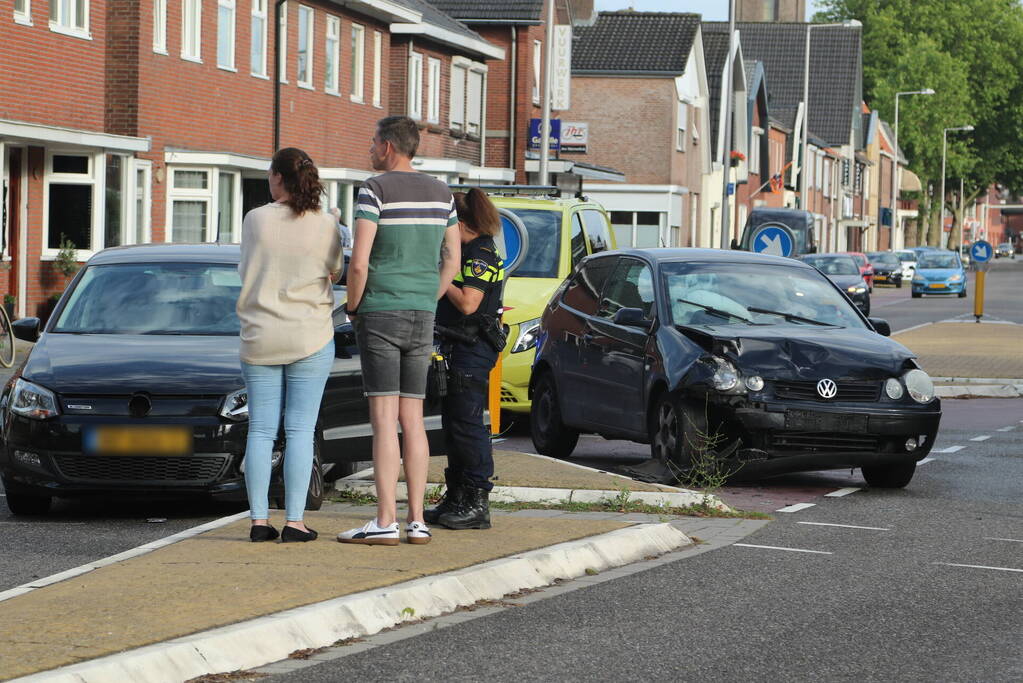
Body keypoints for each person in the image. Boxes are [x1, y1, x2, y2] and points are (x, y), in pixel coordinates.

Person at [338, 116, 461, 546]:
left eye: (373, 142)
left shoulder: (375, 189)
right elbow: (452, 260)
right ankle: (417, 520)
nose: (370, 149)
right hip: (421, 312)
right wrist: (429, 296)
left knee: (383, 420)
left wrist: (354, 306)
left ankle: (385, 519)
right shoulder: (442, 193)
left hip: (381, 312)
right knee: (414, 419)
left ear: (388, 146)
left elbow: (358, 262)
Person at [237, 148, 342, 543]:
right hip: (309, 335)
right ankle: (295, 522)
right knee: (300, 430)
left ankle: (259, 521)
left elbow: (246, 268)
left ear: (278, 177)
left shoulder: (255, 219)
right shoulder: (326, 223)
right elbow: (336, 271)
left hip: (261, 335)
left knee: (261, 430)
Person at [425, 189, 505, 530]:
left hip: (473, 348)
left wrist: (441, 277)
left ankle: (476, 501)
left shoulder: (480, 254)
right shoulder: (465, 252)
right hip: (457, 346)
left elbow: (470, 303)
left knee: (468, 425)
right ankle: (457, 496)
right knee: (454, 425)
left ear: (460, 223)